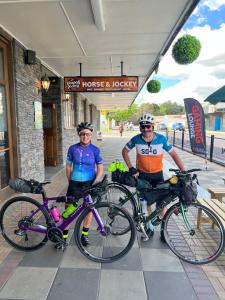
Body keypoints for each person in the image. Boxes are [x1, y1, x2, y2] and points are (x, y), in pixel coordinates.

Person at [122, 113, 185, 238]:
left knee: (162, 204)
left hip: (157, 175)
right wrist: (131, 168)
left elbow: (174, 154)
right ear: (140, 127)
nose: (146, 129)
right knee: (146, 203)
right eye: (143, 127)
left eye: (148, 126)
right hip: (143, 176)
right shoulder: (136, 139)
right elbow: (124, 151)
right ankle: (149, 227)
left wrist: (183, 169)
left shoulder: (161, 139)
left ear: (153, 126)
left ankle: (163, 230)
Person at [57, 122, 103, 249]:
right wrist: (70, 180)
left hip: (89, 183)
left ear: (91, 135)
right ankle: (63, 237)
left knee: (89, 210)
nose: (85, 136)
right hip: (75, 183)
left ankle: (84, 235)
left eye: (88, 134)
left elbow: (100, 168)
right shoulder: (72, 148)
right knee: (68, 210)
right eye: (82, 134)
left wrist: (97, 181)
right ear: (79, 134)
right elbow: (68, 166)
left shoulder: (95, 150)